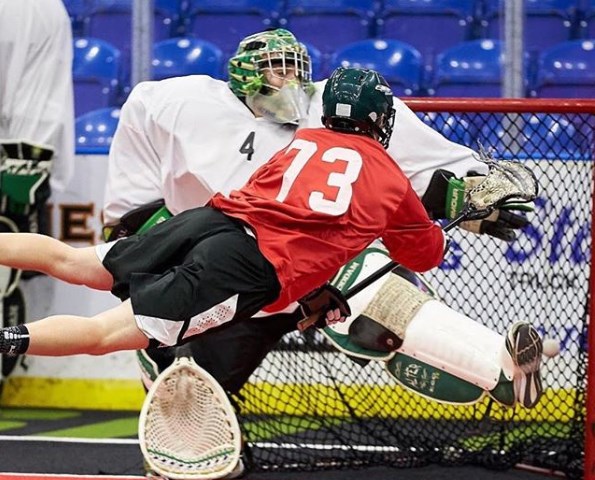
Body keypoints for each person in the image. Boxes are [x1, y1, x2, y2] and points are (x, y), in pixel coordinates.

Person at [101, 28, 535, 402]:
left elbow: (432, 169)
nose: (291, 80)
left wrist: (473, 191)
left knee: (381, 302)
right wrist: (146, 231)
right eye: (277, 68)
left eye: (295, 69)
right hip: (229, 268)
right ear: (244, 74)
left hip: (321, 262)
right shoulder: (178, 100)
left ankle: (498, 365)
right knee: (191, 393)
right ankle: (173, 389)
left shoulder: (334, 108)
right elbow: (134, 186)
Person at [0, 67, 447, 361]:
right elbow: (423, 255)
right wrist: (437, 215)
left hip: (211, 222)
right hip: (246, 267)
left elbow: (272, 200)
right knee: (102, 336)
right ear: (381, 116)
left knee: (75, 262)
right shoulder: (391, 179)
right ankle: (7, 339)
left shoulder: (304, 141)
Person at [0, 0, 75, 384]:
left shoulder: (37, 8)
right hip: (19, 158)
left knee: (8, 270)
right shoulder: (44, 8)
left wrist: (24, 165)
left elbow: (40, 98)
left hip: (17, 161)